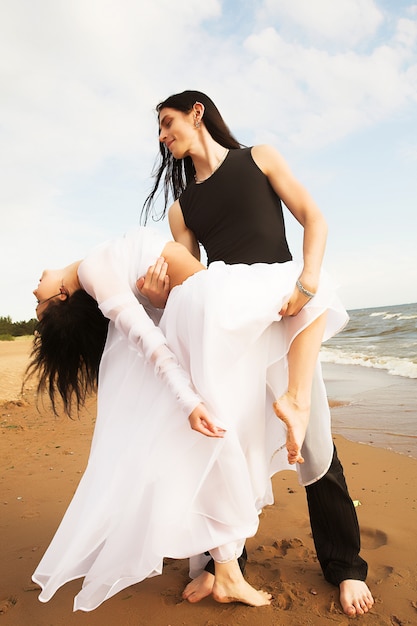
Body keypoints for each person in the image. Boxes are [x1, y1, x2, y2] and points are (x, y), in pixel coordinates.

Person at [140, 90, 374, 617]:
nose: (162, 136)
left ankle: (345, 568)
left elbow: (314, 216)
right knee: (227, 445)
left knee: (316, 446)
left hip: (287, 315)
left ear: (197, 112)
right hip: (231, 332)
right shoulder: (182, 210)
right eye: (158, 129)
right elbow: (193, 285)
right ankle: (224, 566)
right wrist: (160, 298)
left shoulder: (259, 158)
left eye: (166, 122)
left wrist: (309, 281)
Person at [28, 227, 347, 612]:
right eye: (40, 304)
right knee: (314, 285)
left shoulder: (99, 269)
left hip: (196, 311)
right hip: (207, 302)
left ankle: (227, 569)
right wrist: (187, 398)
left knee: (219, 444)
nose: (34, 291)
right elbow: (147, 338)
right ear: (62, 296)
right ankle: (297, 399)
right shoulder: (94, 270)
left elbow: (155, 313)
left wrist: (155, 299)